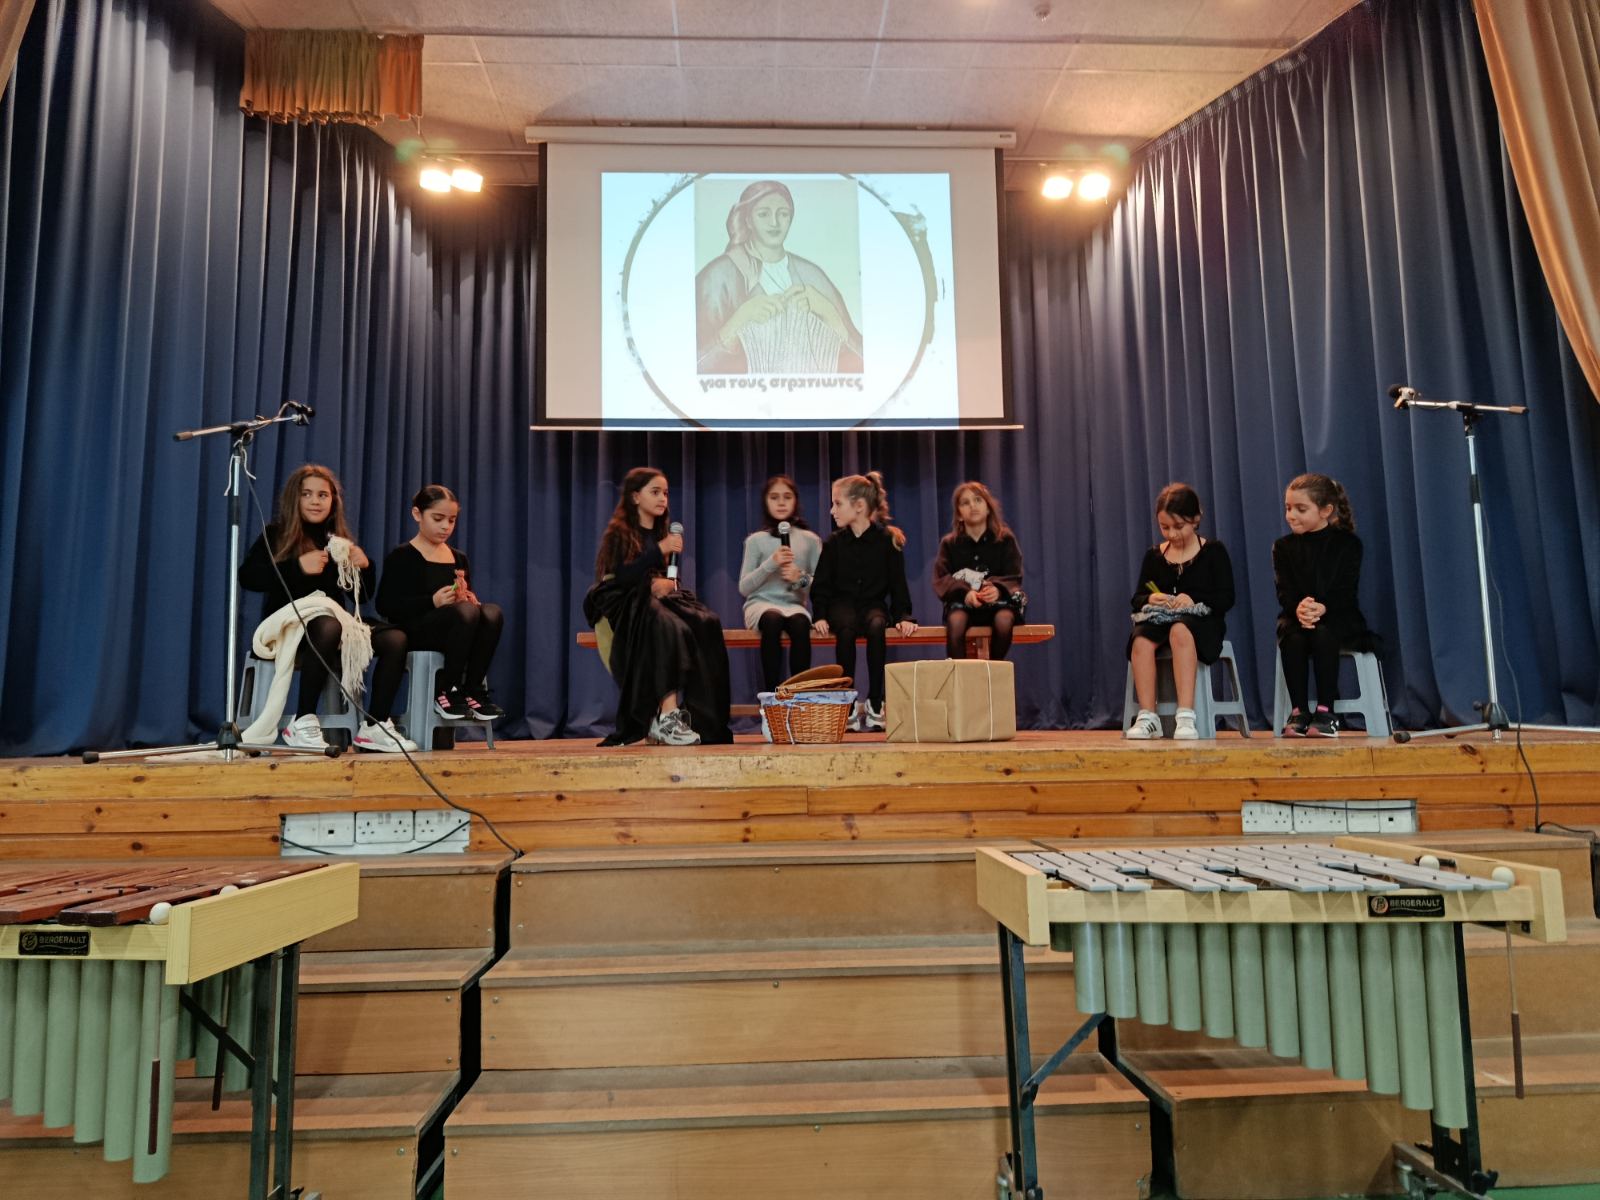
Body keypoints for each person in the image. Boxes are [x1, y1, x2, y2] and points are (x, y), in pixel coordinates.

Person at [238, 463, 415, 753]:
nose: (315, 501)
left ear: (333, 501)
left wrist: (364, 567)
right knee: (326, 623)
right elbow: (248, 577)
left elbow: (363, 596)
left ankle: (375, 726)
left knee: (395, 638)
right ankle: (303, 720)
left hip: (336, 627)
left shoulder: (337, 541)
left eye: (323, 495)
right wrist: (297, 567)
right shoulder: (275, 534)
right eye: (307, 494)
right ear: (294, 498)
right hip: (290, 629)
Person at [583, 468, 733, 747]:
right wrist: (659, 552)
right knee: (666, 623)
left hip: (654, 596)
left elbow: (664, 577)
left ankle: (704, 720)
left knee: (706, 621)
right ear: (635, 497)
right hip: (624, 598)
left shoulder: (662, 533)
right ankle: (667, 715)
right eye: (655, 492)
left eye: (665, 492)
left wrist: (667, 584)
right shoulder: (619, 534)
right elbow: (622, 575)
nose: (663, 498)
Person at [695, 179, 864, 375]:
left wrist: (830, 314)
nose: (774, 223)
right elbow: (693, 364)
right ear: (748, 220)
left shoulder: (812, 275)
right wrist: (739, 321)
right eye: (763, 214)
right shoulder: (717, 277)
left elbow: (863, 360)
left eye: (783, 214)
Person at [375, 485, 504, 726]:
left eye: (451, 520)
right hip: (417, 630)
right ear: (417, 514)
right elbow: (386, 605)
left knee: (492, 612)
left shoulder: (458, 557)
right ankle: (448, 689)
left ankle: (473, 689)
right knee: (465, 613)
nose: (445, 526)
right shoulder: (402, 555)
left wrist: (466, 599)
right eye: (438, 519)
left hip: (457, 630)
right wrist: (432, 601)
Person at [1125, 483, 1236, 740]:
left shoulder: (1213, 552)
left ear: (1196, 519)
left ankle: (1186, 715)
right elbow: (1137, 599)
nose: (1172, 534)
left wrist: (1194, 599)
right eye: (1165, 527)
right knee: (1140, 638)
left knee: (1180, 630)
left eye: (1179, 526)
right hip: (1161, 620)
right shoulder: (1154, 556)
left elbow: (1226, 597)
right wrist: (1152, 598)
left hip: (1202, 623)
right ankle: (1148, 716)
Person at [810, 471, 916, 732]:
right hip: (842, 606)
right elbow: (821, 584)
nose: (832, 510)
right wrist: (820, 614)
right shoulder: (834, 543)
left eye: (838, 503)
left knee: (877, 625)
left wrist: (903, 616)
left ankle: (876, 702)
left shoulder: (887, 541)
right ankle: (846, 703)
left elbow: (898, 585)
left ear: (858, 506)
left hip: (872, 605)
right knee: (845, 628)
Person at [1274, 473, 1375, 737]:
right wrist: (1299, 608)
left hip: (1338, 615)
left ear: (1325, 511)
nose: (1291, 515)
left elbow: (1346, 590)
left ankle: (1325, 711)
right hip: (1298, 617)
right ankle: (1299, 711)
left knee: (1323, 633)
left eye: (1300, 509)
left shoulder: (1348, 544)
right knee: (1293, 637)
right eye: (1288, 508)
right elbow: (1285, 591)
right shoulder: (1283, 547)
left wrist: (1323, 607)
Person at [739, 475, 824, 692]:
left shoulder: (810, 540)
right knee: (772, 620)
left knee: (800, 624)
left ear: (795, 501)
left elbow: (822, 587)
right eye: (774, 497)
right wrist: (771, 564)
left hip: (794, 606)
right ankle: (771, 697)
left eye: (787, 497)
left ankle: (798, 696)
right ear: (765, 502)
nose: (781, 503)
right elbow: (744, 587)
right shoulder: (755, 540)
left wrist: (799, 578)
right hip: (761, 605)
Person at [932, 481, 1025, 660]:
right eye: (965, 503)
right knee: (955, 622)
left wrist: (997, 589)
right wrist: (965, 593)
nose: (972, 506)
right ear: (959, 514)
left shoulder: (1005, 539)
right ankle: (960, 675)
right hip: (963, 604)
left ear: (988, 508)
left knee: (1004, 620)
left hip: (999, 604)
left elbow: (1014, 574)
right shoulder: (949, 544)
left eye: (977, 500)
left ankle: (992, 671)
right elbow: (941, 578)